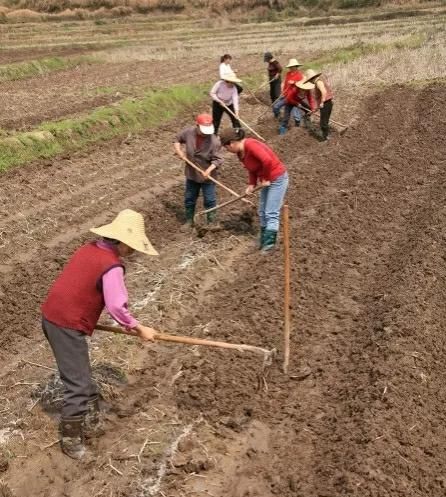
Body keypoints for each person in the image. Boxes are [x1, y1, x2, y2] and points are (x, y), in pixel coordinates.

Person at [41, 209, 159, 460]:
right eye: (134, 246)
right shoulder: (112, 265)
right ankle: (71, 440)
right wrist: (139, 328)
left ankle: (92, 415)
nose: (134, 251)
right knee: (78, 384)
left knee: (80, 372)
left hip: (52, 316)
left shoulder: (90, 248)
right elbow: (117, 306)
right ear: (125, 242)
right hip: (65, 324)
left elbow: (79, 287)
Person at [219, 128, 288, 252]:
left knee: (271, 213)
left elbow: (267, 160)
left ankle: (269, 247)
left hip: (277, 178)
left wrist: (266, 178)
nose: (227, 151)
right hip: (266, 181)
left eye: (226, 148)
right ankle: (263, 240)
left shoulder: (251, 145)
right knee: (262, 211)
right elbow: (252, 168)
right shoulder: (240, 153)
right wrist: (251, 184)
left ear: (232, 143)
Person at [173, 114, 224, 227]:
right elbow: (177, 139)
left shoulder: (214, 142)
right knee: (189, 198)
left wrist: (209, 170)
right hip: (192, 174)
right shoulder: (189, 132)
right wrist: (179, 151)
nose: (206, 133)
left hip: (207, 177)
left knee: (209, 200)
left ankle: (211, 223)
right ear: (197, 126)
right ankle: (189, 221)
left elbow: (219, 159)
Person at [272, 58, 304, 128]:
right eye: (290, 67)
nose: (291, 68)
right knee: (276, 106)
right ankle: (280, 120)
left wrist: (294, 83)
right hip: (286, 95)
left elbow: (302, 86)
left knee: (296, 115)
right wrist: (283, 92)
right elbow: (286, 84)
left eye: (293, 66)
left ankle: (297, 127)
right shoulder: (288, 74)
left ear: (296, 66)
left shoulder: (300, 75)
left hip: (295, 97)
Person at [304, 68, 334, 141]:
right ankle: (326, 137)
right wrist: (315, 109)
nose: (310, 82)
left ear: (311, 79)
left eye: (309, 81)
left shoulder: (318, 82)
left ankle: (326, 138)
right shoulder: (318, 81)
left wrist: (322, 102)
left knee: (323, 123)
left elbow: (324, 92)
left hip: (326, 103)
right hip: (327, 103)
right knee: (324, 122)